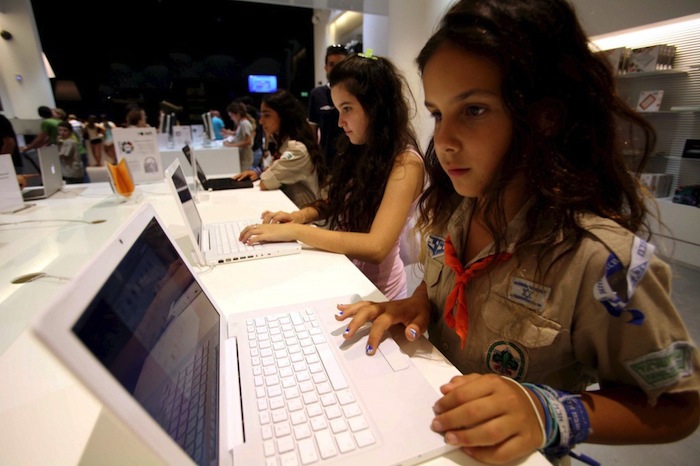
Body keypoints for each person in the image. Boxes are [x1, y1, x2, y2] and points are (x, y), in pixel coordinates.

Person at [331, 1, 700, 465]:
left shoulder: (604, 261)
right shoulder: (452, 211)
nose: (443, 140)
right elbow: (445, 283)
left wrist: (547, 413)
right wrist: (419, 301)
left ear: (544, 114)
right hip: (424, 431)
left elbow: (680, 404)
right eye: (438, 113)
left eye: (475, 110)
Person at [239, 53, 425, 300]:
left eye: (347, 109)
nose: (340, 122)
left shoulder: (406, 163)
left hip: (379, 296)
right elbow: (338, 200)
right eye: (338, 109)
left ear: (376, 106)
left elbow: (377, 246)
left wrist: (296, 231)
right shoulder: (361, 148)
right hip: (348, 277)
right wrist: (299, 216)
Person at [233, 90, 327, 208]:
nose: (261, 121)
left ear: (285, 116)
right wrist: (257, 172)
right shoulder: (285, 144)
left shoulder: (297, 150)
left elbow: (266, 182)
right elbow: (270, 168)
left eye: (267, 115)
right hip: (291, 208)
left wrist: (262, 173)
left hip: (306, 217)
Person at [308, 44, 350, 170]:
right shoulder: (317, 94)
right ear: (326, 67)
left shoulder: (356, 94)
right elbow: (312, 133)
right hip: (327, 164)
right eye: (332, 64)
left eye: (340, 64)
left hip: (353, 161)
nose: (336, 69)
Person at [223, 102, 254, 170]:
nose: (231, 118)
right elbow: (240, 137)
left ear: (238, 114)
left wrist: (231, 145)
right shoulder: (241, 123)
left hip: (245, 156)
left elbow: (248, 141)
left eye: (232, 116)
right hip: (242, 154)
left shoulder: (245, 124)